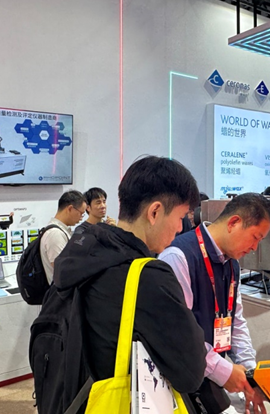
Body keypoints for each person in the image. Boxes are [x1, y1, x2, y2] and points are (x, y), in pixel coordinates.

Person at [54, 156, 207, 397]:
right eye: (180, 218)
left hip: (74, 397)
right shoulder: (150, 277)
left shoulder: (80, 252)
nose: (180, 228)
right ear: (155, 212)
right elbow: (192, 373)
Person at [159, 193, 270, 414]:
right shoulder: (178, 257)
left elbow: (236, 322)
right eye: (255, 237)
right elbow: (178, 336)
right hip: (181, 383)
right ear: (234, 223)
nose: (254, 247)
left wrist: (251, 375)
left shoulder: (232, 264)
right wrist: (223, 371)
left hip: (210, 376)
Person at [40, 190, 87, 284]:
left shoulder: (61, 231)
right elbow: (63, 270)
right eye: (81, 213)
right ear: (70, 209)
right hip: (59, 291)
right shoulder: (55, 234)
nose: (81, 218)